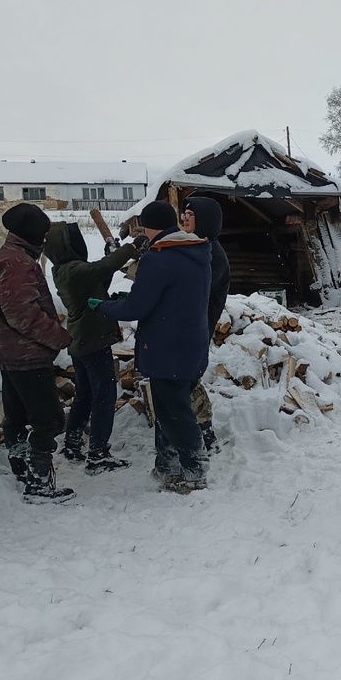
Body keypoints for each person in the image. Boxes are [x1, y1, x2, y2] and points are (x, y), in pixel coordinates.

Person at [96, 201, 212, 491]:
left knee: (174, 411)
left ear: (149, 226)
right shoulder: (197, 251)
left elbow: (136, 308)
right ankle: (167, 465)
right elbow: (173, 295)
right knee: (169, 407)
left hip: (166, 348)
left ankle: (195, 471)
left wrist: (106, 307)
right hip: (192, 343)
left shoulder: (158, 258)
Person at [0, 202, 74, 503]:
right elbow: (21, 313)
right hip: (25, 352)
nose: (46, 239)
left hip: (12, 349)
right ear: (33, 234)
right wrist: (59, 336)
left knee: (18, 414)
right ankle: (37, 482)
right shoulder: (18, 263)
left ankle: (21, 466)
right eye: (44, 233)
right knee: (49, 419)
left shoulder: (12, 255)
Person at [45, 221, 141, 474]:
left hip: (81, 341)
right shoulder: (72, 270)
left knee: (86, 395)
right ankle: (98, 453)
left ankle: (73, 442)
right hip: (92, 341)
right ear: (68, 246)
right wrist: (131, 248)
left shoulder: (66, 270)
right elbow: (100, 268)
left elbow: (99, 274)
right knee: (104, 396)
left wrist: (112, 254)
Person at [180, 196, 231, 453]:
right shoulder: (194, 247)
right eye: (183, 213)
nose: (184, 218)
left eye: (190, 214)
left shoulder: (212, 255)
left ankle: (205, 436)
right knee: (186, 384)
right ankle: (201, 436)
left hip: (197, 331)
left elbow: (191, 291)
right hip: (186, 328)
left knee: (187, 383)